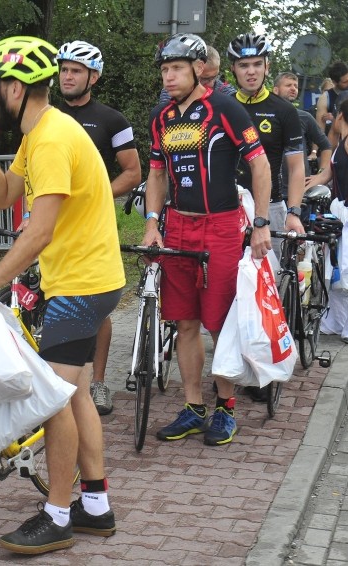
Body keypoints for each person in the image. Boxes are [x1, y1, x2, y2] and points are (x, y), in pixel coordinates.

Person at [0, 36, 125, 555]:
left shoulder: (51, 138)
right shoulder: (40, 132)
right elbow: (5, 195)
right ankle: (94, 506)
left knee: (50, 399)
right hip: (84, 279)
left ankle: (56, 515)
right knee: (70, 395)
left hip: (81, 284)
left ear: (16, 87)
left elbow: (39, 230)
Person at [143, 33, 272, 446]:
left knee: (219, 322)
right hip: (178, 225)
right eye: (164, 69)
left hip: (220, 225)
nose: (168, 77)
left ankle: (226, 407)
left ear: (199, 68)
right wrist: (151, 224)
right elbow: (157, 173)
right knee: (184, 322)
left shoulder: (225, 108)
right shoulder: (162, 118)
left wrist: (262, 223)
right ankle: (194, 406)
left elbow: (260, 164)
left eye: (176, 68)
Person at [56, 40, 141, 416]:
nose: (67, 76)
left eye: (75, 70)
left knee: (97, 306)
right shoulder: (46, 115)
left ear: (94, 76)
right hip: (52, 225)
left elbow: (133, 172)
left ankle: (98, 383)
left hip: (92, 228)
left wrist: (94, 196)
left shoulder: (112, 120)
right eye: (63, 70)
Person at [226, 33, 305, 250]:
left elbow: (296, 167)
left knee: (271, 282)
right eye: (243, 65)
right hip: (228, 207)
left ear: (267, 67)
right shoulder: (223, 107)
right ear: (233, 68)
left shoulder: (284, 110)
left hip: (271, 207)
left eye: (257, 64)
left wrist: (294, 211)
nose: (251, 71)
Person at [309, 97, 348, 344]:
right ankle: (336, 320)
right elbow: (328, 173)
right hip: (341, 211)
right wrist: (307, 184)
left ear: (339, 116)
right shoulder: (342, 141)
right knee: (336, 268)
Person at [273, 71, 332, 192]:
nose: (293, 88)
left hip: (300, 191)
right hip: (271, 191)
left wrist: (321, 175)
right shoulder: (265, 116)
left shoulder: (305, 117)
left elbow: (326, 146)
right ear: (275, 90)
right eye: (288, 85)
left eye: (295, 85)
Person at [159, 44, 234, 103]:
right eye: (205, 79)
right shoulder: (171, 91)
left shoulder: (227, 92)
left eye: (215, 77)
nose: (211, 84)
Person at [316, 60, 348, 133]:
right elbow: (320, 132)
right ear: (334, 82)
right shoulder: (325, 98)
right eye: (345, 82)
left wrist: (335, 120)